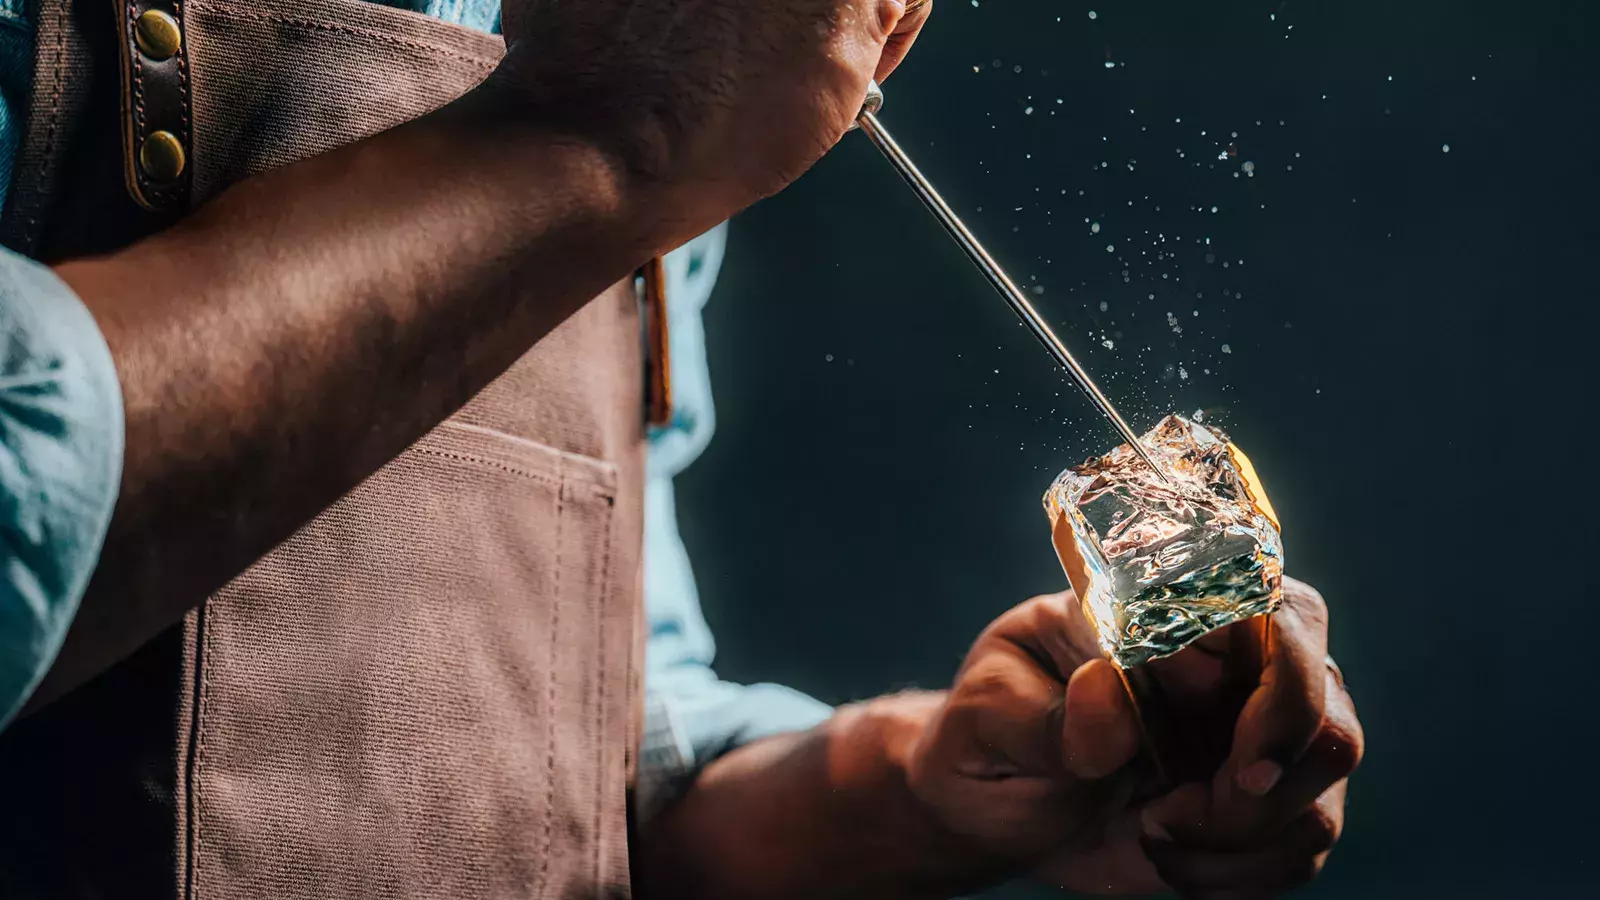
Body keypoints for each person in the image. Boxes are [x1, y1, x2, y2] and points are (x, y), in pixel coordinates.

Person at [0, 0, 1363, 897]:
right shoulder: (650, 96)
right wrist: (604, 150)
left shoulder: (668, 38)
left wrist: (929, 793)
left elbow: (597, 759)